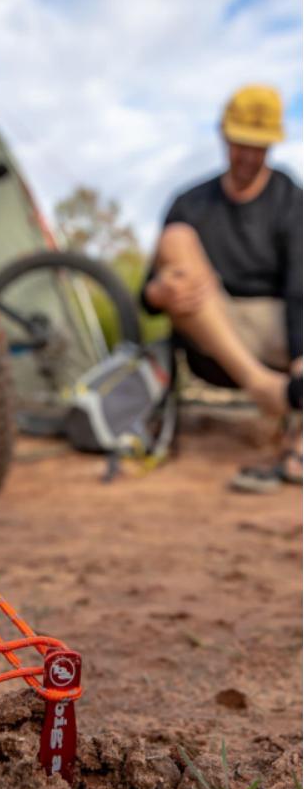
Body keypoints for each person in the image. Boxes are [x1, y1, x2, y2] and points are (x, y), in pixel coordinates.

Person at [141, 84, 302, 492]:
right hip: (211, 336)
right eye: (240, 144)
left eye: (258, 146)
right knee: (175, 239)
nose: (248, 156)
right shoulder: (191, 202)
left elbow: (299, 287)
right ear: (224, 136)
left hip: (277, 333)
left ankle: (297, 446)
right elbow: (146, 298)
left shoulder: (290, 198)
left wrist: (301, 357)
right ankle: (261, 387)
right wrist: (161, 293)